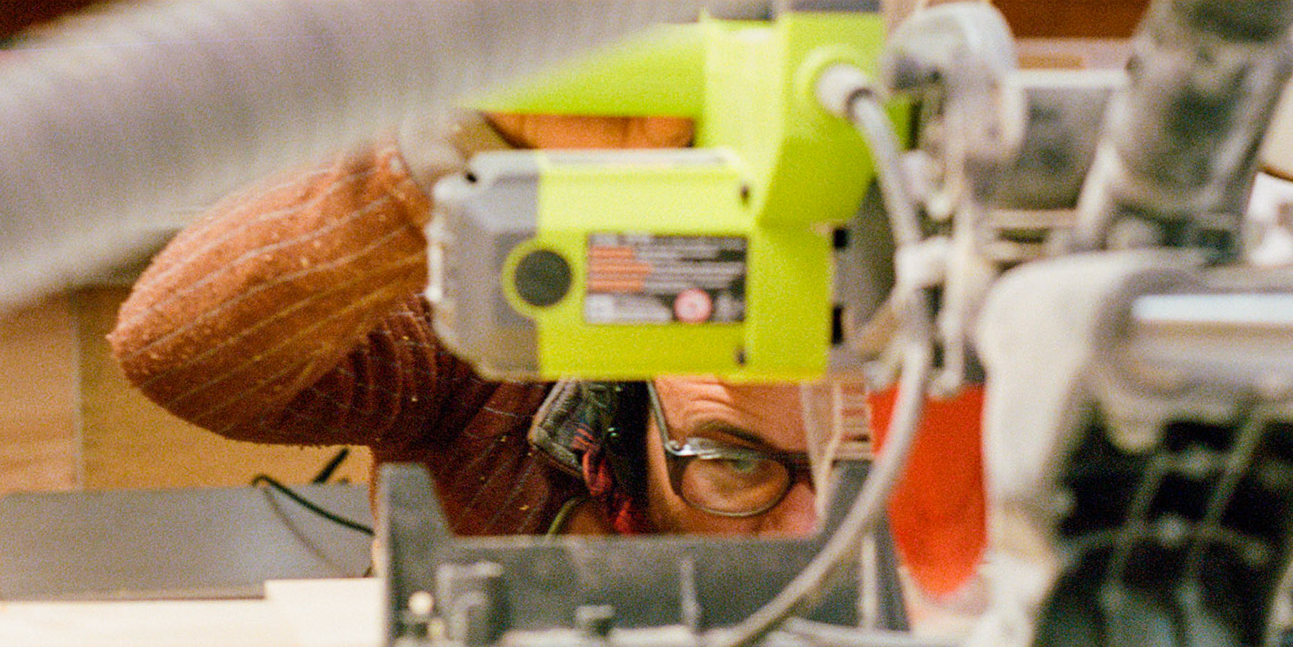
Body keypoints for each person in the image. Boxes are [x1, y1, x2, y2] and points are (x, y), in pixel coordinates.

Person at [108, 119, 822, 539]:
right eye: (736, 465)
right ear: (627, 381)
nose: (810, 532)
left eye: (863, 467)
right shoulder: (492, 352)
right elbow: (178, 352)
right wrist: (446, 161)